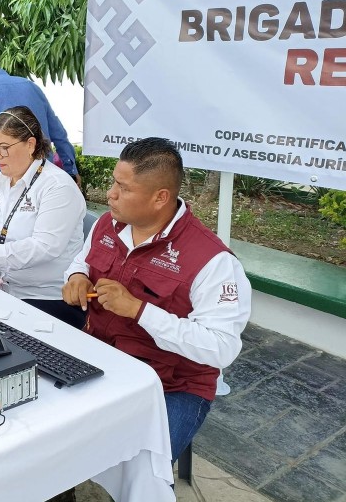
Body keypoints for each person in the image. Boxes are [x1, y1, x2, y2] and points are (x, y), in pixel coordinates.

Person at [62, 137, 251, 463]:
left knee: (143, 470)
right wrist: (76, 277)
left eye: (124, 188)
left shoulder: (212, 261)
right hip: (103, 359)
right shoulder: (108, 223)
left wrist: (138, 310)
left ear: (160, 197)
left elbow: (221, 347)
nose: (111, 194)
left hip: (172, 385)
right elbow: (82, 260)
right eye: (113, 182)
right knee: (49, 432)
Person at [0, 106, 87, 328]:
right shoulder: (0, 181)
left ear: (30, 144)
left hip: (46, 298)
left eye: (5, 148)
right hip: (1, 287)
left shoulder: (57, 187)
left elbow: (44, 247)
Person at [0, 53, 79, 187]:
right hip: (41, 175)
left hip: (3, 176)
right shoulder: (32, 87)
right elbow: (58, 134)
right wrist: (71, 171)